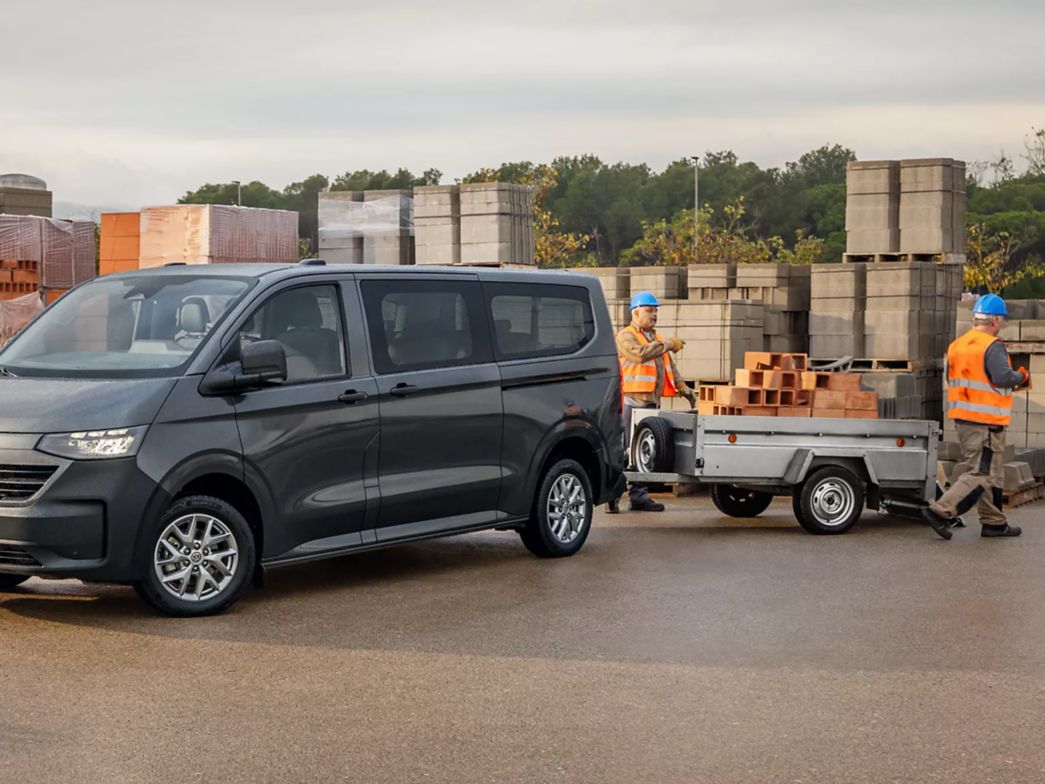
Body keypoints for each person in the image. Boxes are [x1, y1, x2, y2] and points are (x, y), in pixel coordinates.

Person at [922, 294, 1032, 539]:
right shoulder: (992, 346)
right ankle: (941, 511)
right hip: (986, 422)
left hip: (964, 419)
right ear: (993, 320)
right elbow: (1003, 378)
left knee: (991, 472)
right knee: (980, 473)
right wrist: (1022, 376)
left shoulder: (957, 345)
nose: (1001, 323)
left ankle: (994, 522)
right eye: (1001, 319)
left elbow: (952, 380)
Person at [611, 290, 696, 512]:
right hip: (630, 402)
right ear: (635, 312)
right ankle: (612, 495)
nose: (654, 315)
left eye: (656, 311)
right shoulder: (625, 337)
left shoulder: (657, 339)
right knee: (625, 451)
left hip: (650, 403)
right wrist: (667, 344)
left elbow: (669, 366)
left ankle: (638, 497)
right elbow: (639, 355)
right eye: (649, 310)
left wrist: (683, 387)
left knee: (642, 452)